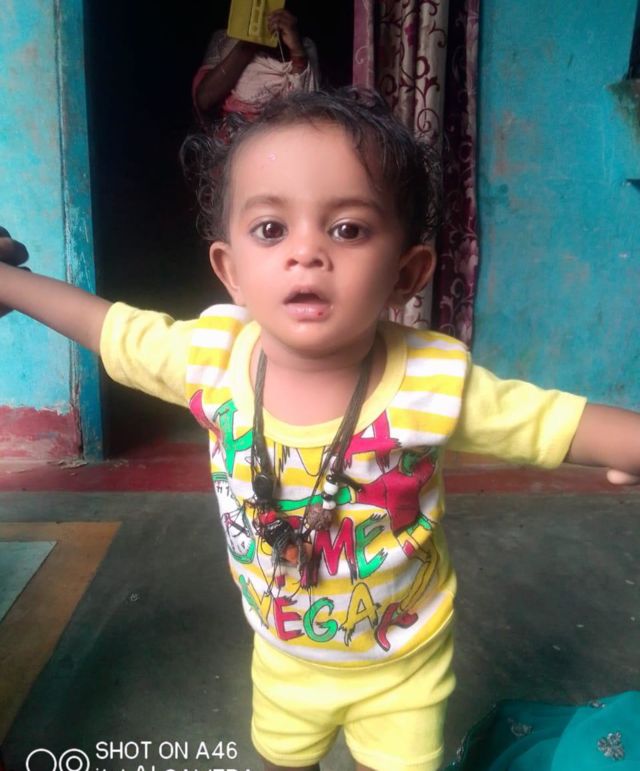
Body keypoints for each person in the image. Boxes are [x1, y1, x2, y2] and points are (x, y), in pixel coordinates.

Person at [1, 88, 639, 771]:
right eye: (270, 229)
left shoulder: (430, 382)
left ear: (406, 273)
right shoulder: (211, 359)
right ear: (231, 270)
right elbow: (107, 327)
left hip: (404, 663)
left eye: (348, 229)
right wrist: (9, 284)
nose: (306, 252)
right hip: (281, 656)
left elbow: (555, 422)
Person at [193, 8, 319, 124]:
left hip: (280, 134)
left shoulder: (304, 46)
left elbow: (305, 111)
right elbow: (205, 100)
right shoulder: (224, 39)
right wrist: (250, 43)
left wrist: (297, 52)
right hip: (233, 136)